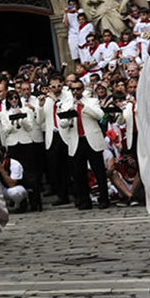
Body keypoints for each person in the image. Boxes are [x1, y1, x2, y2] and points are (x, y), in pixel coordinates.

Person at [59, 78, 110, 210]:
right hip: (76, 140)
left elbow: (100, 115)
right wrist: (69, 114)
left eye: (78, 89)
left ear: (82, 89)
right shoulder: (66, 103)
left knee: (99, 171)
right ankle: (84, 200)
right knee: (79, 173)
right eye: (73, 89)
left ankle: (104, 198)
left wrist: (84, 107)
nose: (76, 91)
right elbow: (63, 124)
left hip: (91, 139)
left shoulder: (92, 101)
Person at [0, 90, 41, 212]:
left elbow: (30, 127)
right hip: (13, 144)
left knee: (30, 172)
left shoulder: (26, 110)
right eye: (11, 98)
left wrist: (21, 117)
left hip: (25, 143)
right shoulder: (4, 113)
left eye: (16, 98)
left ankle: (35, 202)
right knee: (16, 173)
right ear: (7, 100)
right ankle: (21, 202)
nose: (14, 101)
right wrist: (12, 121)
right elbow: (5, 131)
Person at [0, 145, 28, 210]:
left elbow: (12, 184)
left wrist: (2, 171)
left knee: (16, 193)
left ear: (5, 154)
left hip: (15, 188)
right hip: (0, 189)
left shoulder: (14, 164)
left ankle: (19, 203)